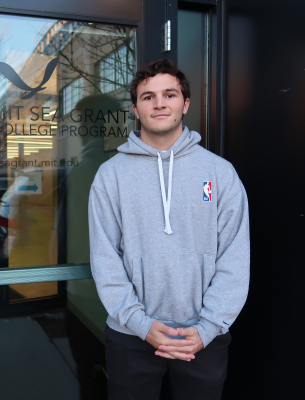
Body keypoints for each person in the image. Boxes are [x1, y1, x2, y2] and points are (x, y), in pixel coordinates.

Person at [88, 59, 250, 399]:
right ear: (135, 109)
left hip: (202, 338)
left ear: (185, 104)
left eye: (169, 94)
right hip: (131, 336)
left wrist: (206, 328)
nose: (159, 103)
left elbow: (234, 259)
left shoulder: (220, 174)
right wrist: (142, 325)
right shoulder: (110, 176)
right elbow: (106, 260)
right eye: (148, 97)